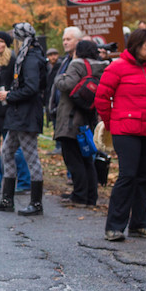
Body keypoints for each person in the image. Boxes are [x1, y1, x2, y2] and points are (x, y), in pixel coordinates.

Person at [95, 28, 146, 241]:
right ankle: (114, 227)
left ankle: (140, 224)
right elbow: (101, 98)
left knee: (145, 178)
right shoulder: (117, 68)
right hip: (126, 131)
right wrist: (112, 123)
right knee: (128, 176)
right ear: (136, 46)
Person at [0, 23, 47, 215]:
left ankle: (36, 204)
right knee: (6, 151)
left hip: (26, 114)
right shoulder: (31, 55)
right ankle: (7, 200)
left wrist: (9, 95)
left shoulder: (30, 58)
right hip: (18, 114)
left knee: (31, 157)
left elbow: (32, 88)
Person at [54, 40, 107, 206]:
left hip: (71, 117)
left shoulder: (76, 64)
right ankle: (91, 196)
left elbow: (68, 84)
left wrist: (59, 79)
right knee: (86, 158)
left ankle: (79, 195)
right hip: (88, 116)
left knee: (72, 158)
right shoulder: (101, 66)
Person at [0, 32, 30, 194]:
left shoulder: (12, 62)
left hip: (6, 110)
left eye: (1, 41)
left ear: (6, 44)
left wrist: (8, 95)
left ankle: (23, 182)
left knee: (14, 148)